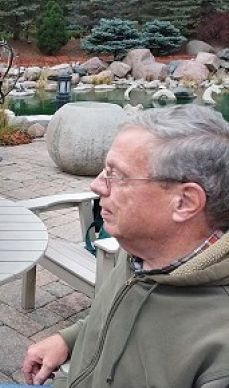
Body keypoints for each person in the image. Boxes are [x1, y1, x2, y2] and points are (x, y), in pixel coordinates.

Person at [22, 104, 229, 387]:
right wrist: (68, 339)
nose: (97, 185)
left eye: (115, 174)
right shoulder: (140, 250)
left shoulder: (220, 349)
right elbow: (120, 314)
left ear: (184, 202)